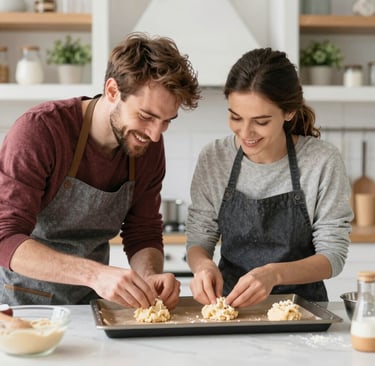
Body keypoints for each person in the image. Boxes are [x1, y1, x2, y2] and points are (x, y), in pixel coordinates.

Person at [0, 32, 200, 308]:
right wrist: (94, 274)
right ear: (112, 91)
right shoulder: (40, 131)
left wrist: (150, 275)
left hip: (91, 304)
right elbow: (5, 237)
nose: (155, 135)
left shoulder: (147, 146)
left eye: (166, 121)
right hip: (21, 304)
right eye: (146, 116)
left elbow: (142, 231)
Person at [186, 47, 353, 308]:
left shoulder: (322, 161)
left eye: (261, 121)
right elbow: (199, 240)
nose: (245, 132)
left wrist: (274, 274)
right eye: (235, 117)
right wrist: (203, 266)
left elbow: (332, 256)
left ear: (289, 113)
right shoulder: (214, 158)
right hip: (231, 308)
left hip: (302, 310)